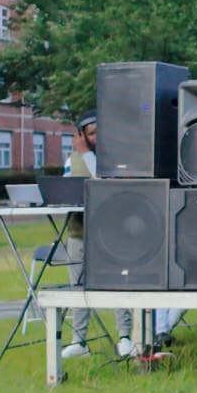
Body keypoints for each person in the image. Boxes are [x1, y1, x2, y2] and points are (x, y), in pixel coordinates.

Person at [60, 110, 135, 359]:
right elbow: (65, 187)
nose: (96, 138)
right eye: (91, 134)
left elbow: (104, 182)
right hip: (80, 230)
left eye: (99, 132)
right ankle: (78, 340)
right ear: (82, 135)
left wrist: (86, 153)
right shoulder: (73, 160)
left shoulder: (115, 158)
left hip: (111, 231)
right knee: (78, 285)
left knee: (117, 284)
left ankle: (125, 336)